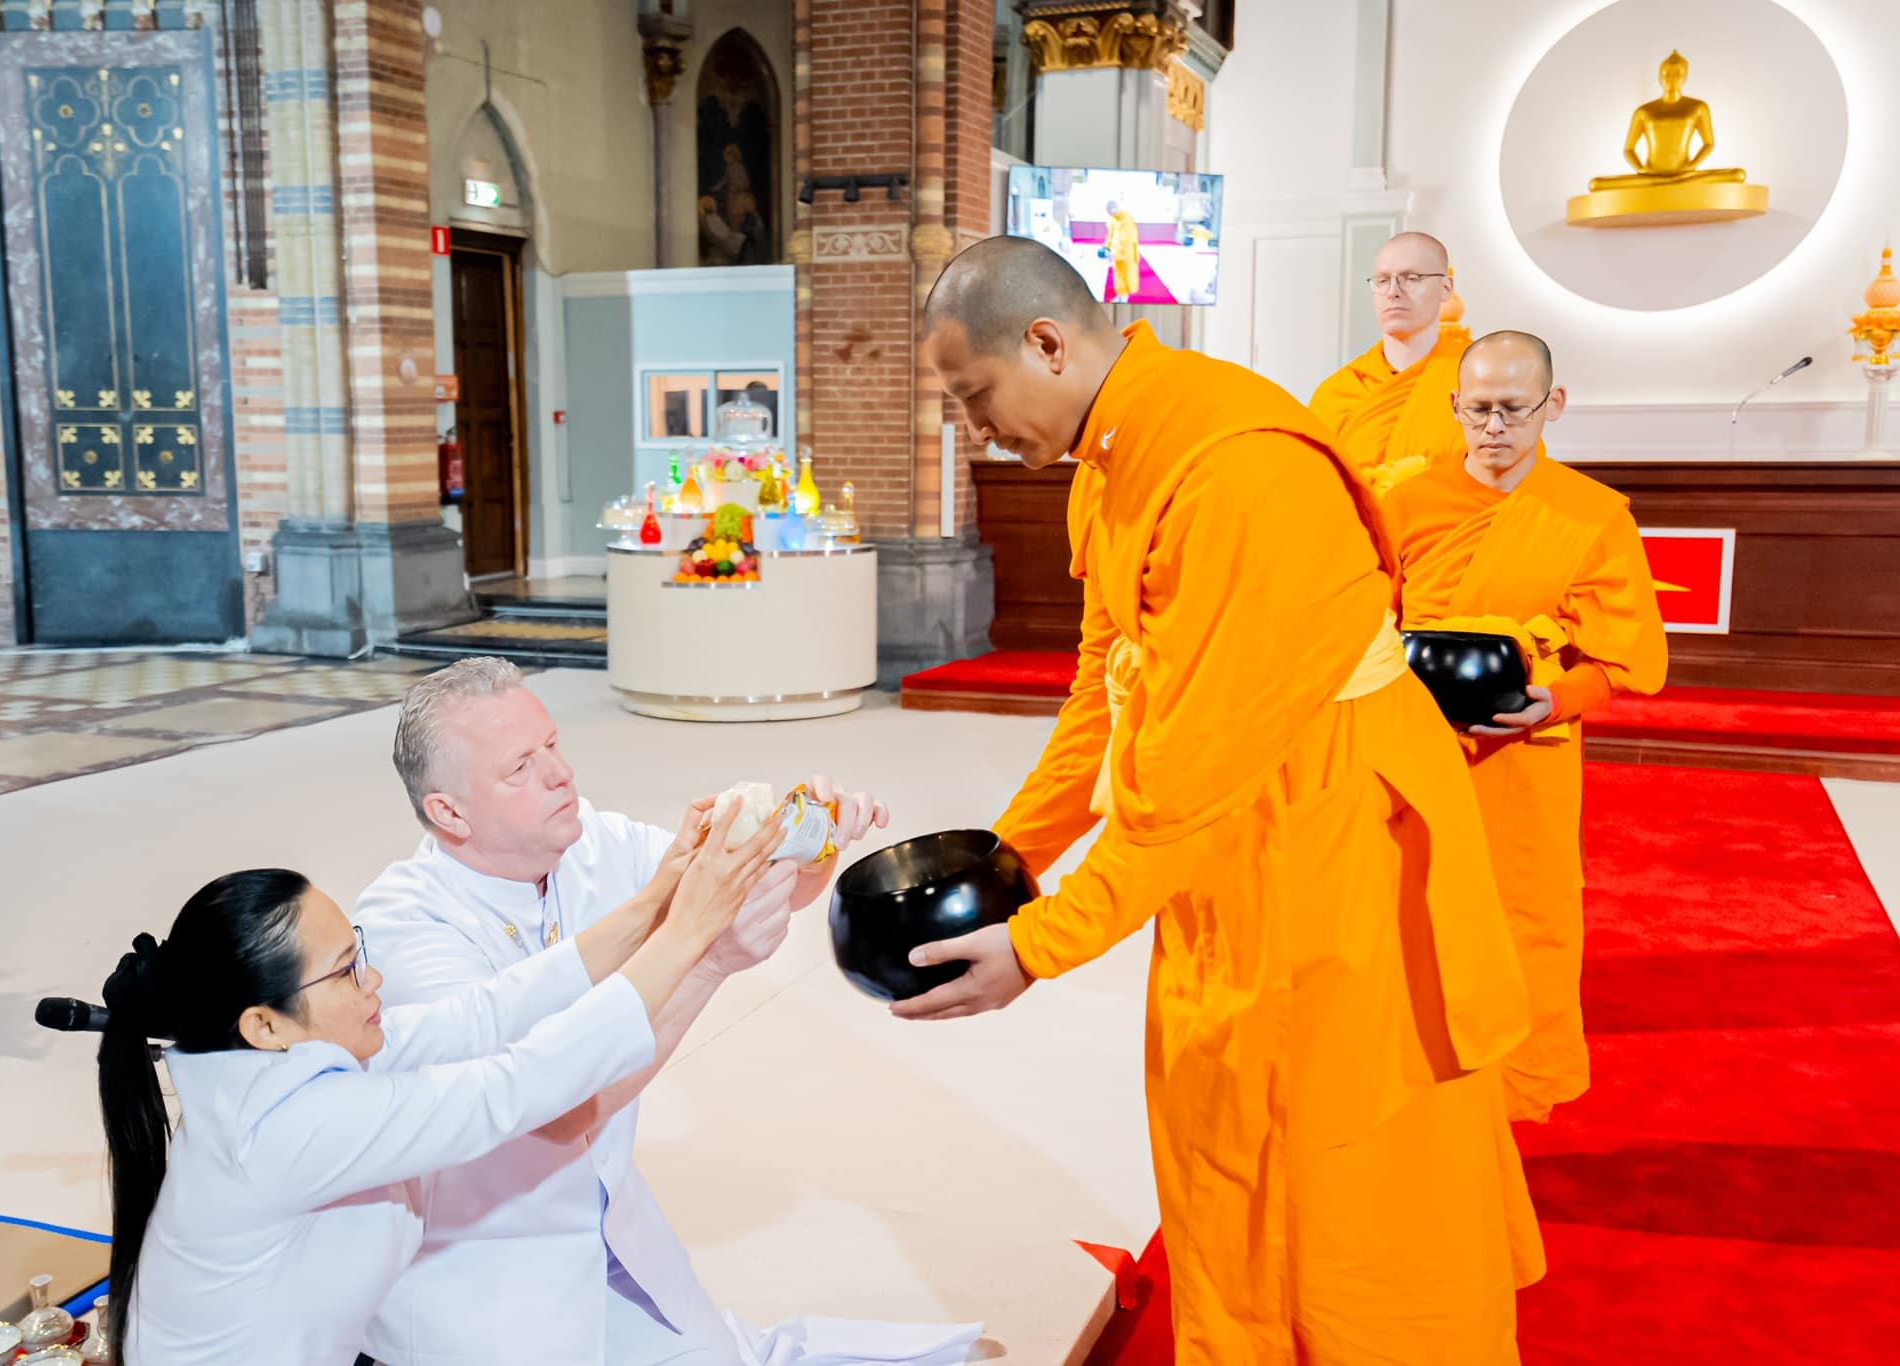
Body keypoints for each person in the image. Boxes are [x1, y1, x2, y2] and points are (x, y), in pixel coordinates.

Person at [907, 235, 1542, 1363]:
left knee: (1341, 1175)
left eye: (974, 396)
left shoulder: (1232, 467)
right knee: (1225, 1134)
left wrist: (1039, 943)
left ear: (1045, 343)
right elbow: (1107, 688)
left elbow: (1197, 756)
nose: (974, 431)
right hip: (1232, 849)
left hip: (1335, 854)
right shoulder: (1115, 459)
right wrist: (1002, 855)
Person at [354, 658, 891, 1366]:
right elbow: (554, 1113)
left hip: (602, 1217)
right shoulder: (404, 932)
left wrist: (810, 835)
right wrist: (706, 961)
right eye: (521, 768)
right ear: (448, 812)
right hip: (476, 1270)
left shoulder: (592, 845)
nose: (560, 775)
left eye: (553, 746)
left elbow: (744, 893)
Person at [99, 815, 779, 1366]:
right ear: (264, 1024)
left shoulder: (288, 1056)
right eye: (345, 973)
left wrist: (656, 901)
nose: (375, 982)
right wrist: (692, 934)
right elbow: (516, 1086)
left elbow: (485, 1014)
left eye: (358, 952)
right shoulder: (286, 1129)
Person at [1383, 330, 1669, 1123]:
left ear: (1555, 406)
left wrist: (1559, 701)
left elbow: (1619, 664)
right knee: (1406, 907)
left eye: (1514, 408)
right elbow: (1366, 623)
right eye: (1478, 410)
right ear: (1454, 408)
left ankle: (1517, 1082)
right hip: (1412, 743)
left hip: (1528, 750)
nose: (1495, 428)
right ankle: (1412, 1060)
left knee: (1527, 916)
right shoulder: (1406, 503)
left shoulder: (1589, 514)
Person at [1310, 231, 1468, 496]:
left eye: (1411, 278)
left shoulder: (1478, 379)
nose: (1393, 292)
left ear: (1446, 288)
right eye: (1383, 280)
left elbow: (1508, 478)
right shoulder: (1337, 392)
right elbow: (1311, 488)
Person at [1103, 199, 1141, 302]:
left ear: (1115, 208)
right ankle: (1120, 294)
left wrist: (1115, 253)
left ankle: (1125, 297)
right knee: (1118, 275)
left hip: (1126, 253)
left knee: (1126, 274)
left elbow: (1126, 240)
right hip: (1116, 252)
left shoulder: (1127, 219)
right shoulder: (1113, 219)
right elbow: (1110, 235)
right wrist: (1106, 247)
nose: (1111, 215)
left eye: (1112, 212)